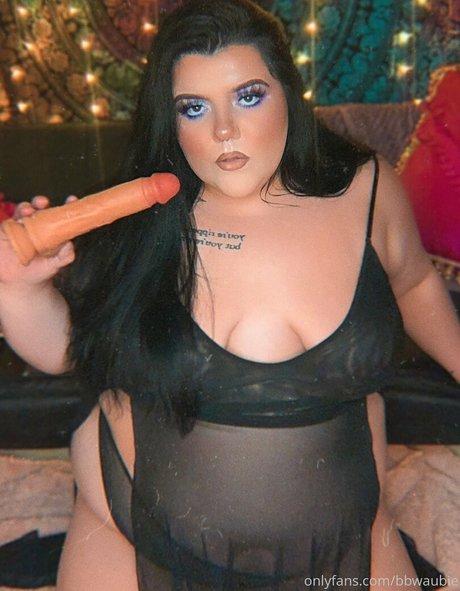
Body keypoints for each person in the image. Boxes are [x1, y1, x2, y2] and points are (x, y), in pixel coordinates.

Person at [0, 0, 459, 589]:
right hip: (131, 528)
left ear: (287, 92)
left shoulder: (367, 189)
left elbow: (415, 281)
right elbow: (64, 350)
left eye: (248, 96)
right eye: (194, 108)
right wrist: (19, 289)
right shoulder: (143, 213)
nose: (223, 131)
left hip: (347, 541)